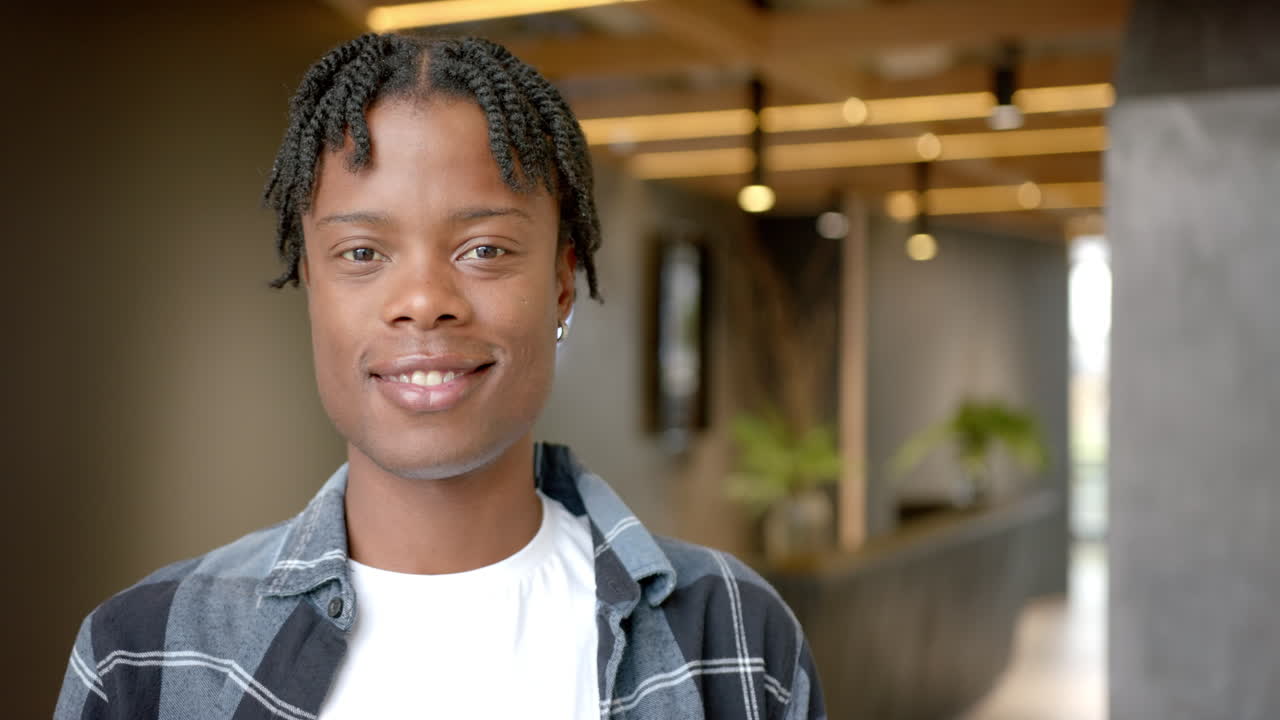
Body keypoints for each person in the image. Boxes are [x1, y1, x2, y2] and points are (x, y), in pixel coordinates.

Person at [54, 33, 825, 720]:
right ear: (311, 287)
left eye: (484, 249)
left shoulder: (734, 634)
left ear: (562, 283)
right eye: (361, 254)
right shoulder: (145, 656)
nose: (424, 303)